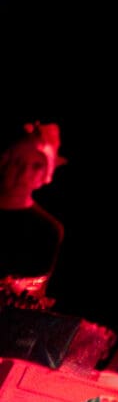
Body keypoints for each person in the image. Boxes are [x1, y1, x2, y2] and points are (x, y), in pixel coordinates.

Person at [0, 124, 65, 296]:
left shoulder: (48, 231)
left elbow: (33, 296)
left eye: (36, 166)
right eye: (17, 162)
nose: (24, 174)